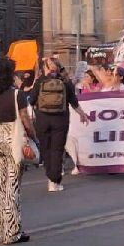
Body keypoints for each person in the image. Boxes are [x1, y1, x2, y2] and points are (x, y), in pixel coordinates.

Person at [0, 57, 36, 245]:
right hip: (12, 138)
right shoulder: (16, 95)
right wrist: (33, 137)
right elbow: (25, 120)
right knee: (12, 186)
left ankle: (0, 230)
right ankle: (13, 231)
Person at [29, 57, 91, 192]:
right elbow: (73, 102)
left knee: (46, 149)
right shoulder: (65, 82)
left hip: (42, 119)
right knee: (57, 149)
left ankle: (50, 175)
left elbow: (32, 100)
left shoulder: (40, 82)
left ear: (45, 68)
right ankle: (54, 181)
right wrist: (82, 114)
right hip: (61, 119)